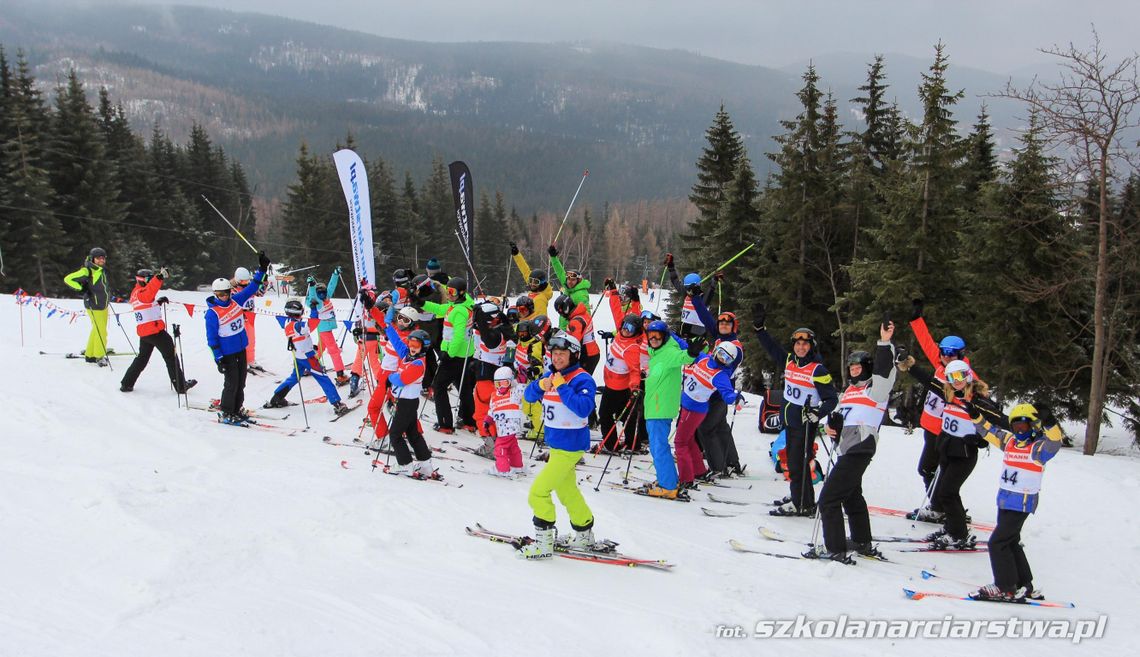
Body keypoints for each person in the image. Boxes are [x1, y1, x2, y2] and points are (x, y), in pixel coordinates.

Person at [806, 321, 897, 563]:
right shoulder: (849, 391)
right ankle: (861, 540)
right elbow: (842, 418)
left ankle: (835, 548)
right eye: (851, 368)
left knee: (829, 498)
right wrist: (832, 426)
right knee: (851, 495)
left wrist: (884, 343)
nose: (853, 371)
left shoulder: (876, 390)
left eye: (858, 368)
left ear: (867, 368)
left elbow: (886, 372)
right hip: (846, 448)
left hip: (860, 447)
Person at [897, 357, 1002, 549]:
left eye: (960, 376)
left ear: (968, 376)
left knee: (947, 493)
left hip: (964, 455)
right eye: (952, 377)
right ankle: (953, 527)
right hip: (946, 450)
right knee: (946, 492)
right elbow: (929, 381)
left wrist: (979, 440)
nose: (956, 380)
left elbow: (998, 420)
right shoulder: (949, 393)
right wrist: (910, 366)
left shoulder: (977, 400)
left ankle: (958, 534)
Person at [965, 403, 1064, 602]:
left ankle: (1004, 586)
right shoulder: (1010, 442)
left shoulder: (1038, 448)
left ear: (1033, 427)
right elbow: (990, 432)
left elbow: (1056, 442)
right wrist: (976, 416)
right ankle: (1023, 584)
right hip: (1005, 499)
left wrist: (1050, 422)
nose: (1019, 431)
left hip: (1022, 501)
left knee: (997, 543)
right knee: (1010, 541)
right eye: (1016, 426)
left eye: (1024, 427)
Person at [752, 304, 838, 516]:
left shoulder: (817, 369)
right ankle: (802, 498)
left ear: (811, 346)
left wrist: (818, 413)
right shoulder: (790, 361)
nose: (801, 348)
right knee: (794, 461)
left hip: (805, 424)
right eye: (798, 344)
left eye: (805, 344)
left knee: (797, 464)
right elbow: (772, 348)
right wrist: (759, 329)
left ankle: (801, 504)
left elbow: (831, 399)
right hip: (790, 422)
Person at [520, 333, 597, 559]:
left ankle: (544, 544)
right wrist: (540, 385)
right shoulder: (551, 375)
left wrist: (562, 387)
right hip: (557, 446)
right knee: (567, 491)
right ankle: (584, 533)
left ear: (573, 355)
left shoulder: (583, 379)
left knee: (538, 492)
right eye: (554, 354)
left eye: (562, 354)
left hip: (570, 447)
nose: (557, 358)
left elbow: (583, 409)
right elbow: (529, 395)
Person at [908, 298, 983, 522]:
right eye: (944, 352)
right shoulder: (941, 365)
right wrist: (916, 319)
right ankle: (941, 505)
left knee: (930, 469)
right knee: (930, 470)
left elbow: (977, 404)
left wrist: (979, 433)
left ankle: (940, 506)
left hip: (946, 433)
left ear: (961, 354)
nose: (946, 356)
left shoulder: (965, 376)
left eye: (952, 353)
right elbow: (926, 342)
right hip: (930, 428)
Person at [640, 320, 702, 499]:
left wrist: (691, 352)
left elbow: (683, 357)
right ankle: (668, 479)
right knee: (658, 446)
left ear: (665, 336)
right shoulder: (656, 353)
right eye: (650, 335)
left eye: (658, 335)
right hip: (655, 408)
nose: (654, 339)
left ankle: (667, 486)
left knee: (658, 447)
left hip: (659, 409)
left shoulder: (669, 352)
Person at [206, 251, 269, 424]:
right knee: (231, 383)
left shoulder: (236, 301)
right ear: (215, 294)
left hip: (241, 349)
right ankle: (226, 411)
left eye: (226, 293)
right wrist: (218, 358)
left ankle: (236, 408)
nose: (224, 297)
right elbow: (211, 339)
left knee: (241, 382)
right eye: (220, 295)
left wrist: (262, 269)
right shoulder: (212, 313)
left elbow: (253, 287)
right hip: (227, 354)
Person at [265, 299, 352, 416]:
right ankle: (337, 404)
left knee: (294, 377)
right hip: (307, 356)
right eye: (301, 312)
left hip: (298, 356)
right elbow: (312, 323)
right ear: (297, 313)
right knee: (323, 377)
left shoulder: (286, 322)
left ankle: (277, 397)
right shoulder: (298, 325)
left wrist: (312, 310)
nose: (302, 314)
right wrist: (314, 310)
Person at [675, 341, 741, 491]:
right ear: (716, 351)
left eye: (727, 358)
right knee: (689, 440)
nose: (722, 359)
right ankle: (699, 471)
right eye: (722, 354)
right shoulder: (703, 358)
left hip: (694, 410)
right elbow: (685, 345)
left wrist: (736, 398)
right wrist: (668, 332)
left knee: (680, 443)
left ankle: (686, 480)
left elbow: (727, 393)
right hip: (688, 406)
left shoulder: (720, 375)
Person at [120, 268, 196, 394]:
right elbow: (149, 291)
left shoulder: (136, 292)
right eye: (148, 279)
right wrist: (159, 277)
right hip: (155, 332)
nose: (150, 282)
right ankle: (181, 386)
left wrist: (158, 302)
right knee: (171, 357)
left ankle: (126, 383)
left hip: (145, 333)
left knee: (142, 359)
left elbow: (146, 303)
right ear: (142, 280)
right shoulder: (142, 293)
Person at [420, 276, 476, 433]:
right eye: (447, 291)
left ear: (461, 292)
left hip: (454, 356)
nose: (449, 294)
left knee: (438, 386)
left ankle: (445, 424)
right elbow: (439, 309)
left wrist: (448, 353)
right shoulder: (459, 305)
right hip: (464, 355)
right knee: (464, 388)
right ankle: (469, 421)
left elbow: (458, 336)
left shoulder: (459, 311)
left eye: (452, 292)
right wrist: (422, 303)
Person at [383, 325, 439, 479]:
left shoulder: (418, 364)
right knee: (412, 433)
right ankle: (425, 464)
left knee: (395, 434)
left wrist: (390, 377)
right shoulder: (408, 355)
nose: (412, 348)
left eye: (416, 346)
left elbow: (402, 379)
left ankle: (405, 465)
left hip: (406, 403)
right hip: (407, 402)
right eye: (411, 344)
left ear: (423, 347)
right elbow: (397, 342)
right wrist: (388, 326)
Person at [597, 313, 644, 452]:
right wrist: (613, 293)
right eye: (625, 326)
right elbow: (616, 310)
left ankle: (611, 445)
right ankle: (633, 443)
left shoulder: (631, 348)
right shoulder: (619, 336)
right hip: (612, 384)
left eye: (631, 328)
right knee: (625, 415)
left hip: (616, 388)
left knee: (605, 415)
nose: (626, 330)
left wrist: (635, 387)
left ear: (637, 331)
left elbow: (635, 370)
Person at [63, 247, 114, 365]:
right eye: (98, 258)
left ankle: (90, 355)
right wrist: (81, 289)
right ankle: (99, 356)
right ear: (92, 259)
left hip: (103, 305)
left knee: (97, 330)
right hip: (94, 305)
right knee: (101, 332)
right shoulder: (88, 270)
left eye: (103, 258)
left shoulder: (101, 270)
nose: (101, 260)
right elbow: (68, 279)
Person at [305, 268, 349, 385]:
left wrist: (335, 274)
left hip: (325, 328)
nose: (323, 295)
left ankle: (310, 365)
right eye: (321, 294)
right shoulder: (317, 301)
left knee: (321, 347)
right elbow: (313, 296)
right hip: (324, 329)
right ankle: (340, 374)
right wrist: (312, 286)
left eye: (324, 293)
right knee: (334, 351)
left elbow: (331, 286)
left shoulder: (326, 297)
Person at [483, 366, 526, 478]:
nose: (501, 387)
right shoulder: (494, 396)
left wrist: (522, 380)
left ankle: (502, 469)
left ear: (511, 382)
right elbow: (493, 409)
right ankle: (517, 465)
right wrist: (488, 419)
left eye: (505, 383)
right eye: (498, 384)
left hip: (510, 427)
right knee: (512, 447)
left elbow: (522, 391)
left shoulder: (514, 392)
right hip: (501, 428)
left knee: (500, 448)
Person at [513, 317, 547, 440]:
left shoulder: (534, 344)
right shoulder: (520, 342)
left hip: (533, 379)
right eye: (519, 333)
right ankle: (534, 424)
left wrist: (534, 370)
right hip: (522, 379)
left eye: (524, 333)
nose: (522, 335)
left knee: (533, 405)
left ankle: (540, 431)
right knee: (526, 406)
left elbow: (538, 364)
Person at [664, 253, 712, 339]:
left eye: (689, 289)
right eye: (686, 288)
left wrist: (713, 285)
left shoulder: (702, 298)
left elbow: (706, 301)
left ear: (697, 287)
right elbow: (675, 280)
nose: (688, 292)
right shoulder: (686, 293)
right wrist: (671, 267)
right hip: (684, 330)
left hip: (698, 332)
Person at [547, 244, 590, 328]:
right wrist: (553, 257)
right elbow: (559, 271)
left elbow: (586, 314)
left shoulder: (580, 295)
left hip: (572, 331)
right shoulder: (568, 286)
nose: (570, 282)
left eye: (573, 280)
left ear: (578, 281)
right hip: (563, 329)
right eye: (568, 279)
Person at [231, 266, 263, 372]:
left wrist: (265, 281)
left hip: (250, 318)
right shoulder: (232, 290)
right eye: (243, 281)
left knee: (251, 340)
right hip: (238, 319)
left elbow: (261, 293)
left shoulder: (250, 287)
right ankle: (240, 361)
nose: (245, 283)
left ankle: (251, 360)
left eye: (246, 281)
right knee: (240, 341)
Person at [509, 242, 553, 317]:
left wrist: (520, 319)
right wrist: (516, 255)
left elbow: (539, 319)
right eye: (530, 280)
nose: (532, 284)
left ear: (542, 283)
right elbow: (525, 270)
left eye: (536, 282)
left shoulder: (540, 299)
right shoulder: (535, 290)